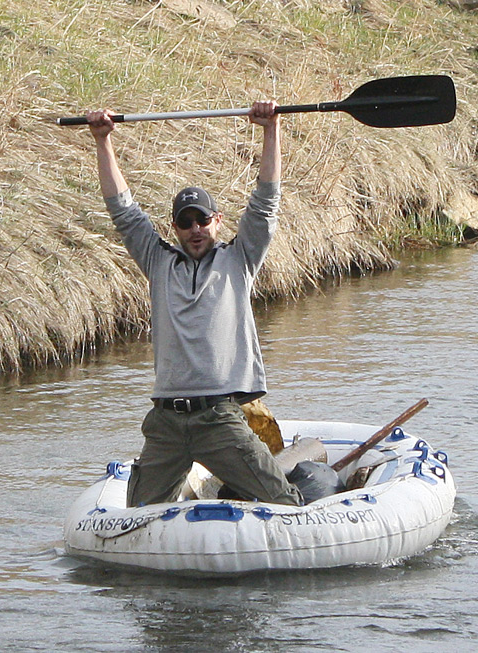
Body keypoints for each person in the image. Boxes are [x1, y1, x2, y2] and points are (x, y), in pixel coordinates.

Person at [86, 101, 303, 508]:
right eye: (185, 223)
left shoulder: (239, 259)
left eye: (202, 220)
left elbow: (265, 202)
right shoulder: (157, 261)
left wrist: (270, 129)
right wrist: (102, 140)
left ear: (217, 221)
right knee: (134, 519)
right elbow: (124, 211)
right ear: (175, 228)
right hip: (166, 422)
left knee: (284, 503)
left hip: (219, 418)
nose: (194, 230)